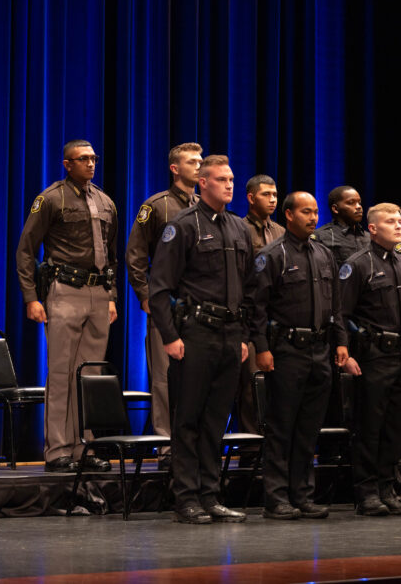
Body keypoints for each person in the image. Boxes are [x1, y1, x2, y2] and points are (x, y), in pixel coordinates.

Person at [148, 155, 253, 525]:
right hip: (194, 334)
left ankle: (211, 495)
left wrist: (243, 336)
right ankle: (186, 498)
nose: (229, 185)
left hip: (229, 335)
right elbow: (159, 288)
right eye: (222, 179)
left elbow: (247, 290)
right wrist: (170, 336)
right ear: (203, 183)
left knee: (215, 422)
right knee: (188, 420)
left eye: (232, 179)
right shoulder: (182, 226)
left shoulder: (239, 228)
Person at [15, 139, 118, 473]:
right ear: (67, 163)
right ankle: (57, 449)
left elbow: (112, 255)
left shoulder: (105, 201)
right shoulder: (51, 198)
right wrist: (31, 297)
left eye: (94, 158)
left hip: (98, 293)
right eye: (83, 159)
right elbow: (26, 250)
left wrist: (113, 295)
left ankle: (83, 448)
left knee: (90, 375)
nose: (90, 164)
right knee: (61, 374)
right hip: (65, 290)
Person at [248, 192, 349, 520]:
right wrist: (261, 348)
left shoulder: (323, 253)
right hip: (287, 350)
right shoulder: (271, 255)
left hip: (320, 349)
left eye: (316, 211)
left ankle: (302, 494)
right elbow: (257, 308)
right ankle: (276, 498)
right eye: (306, 211)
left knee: (309, 428)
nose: (313, 217)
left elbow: (336, 306)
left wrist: (341, 343)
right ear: (289, 215)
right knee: (282, 427)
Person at [124, 142, 202, 469]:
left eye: (201, 161)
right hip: (166, 305)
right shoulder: (156, 206)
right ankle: (168, 448)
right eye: (191, 161)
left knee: (199, 378)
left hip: (200, 308)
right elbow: (135, 256)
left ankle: (197, 446)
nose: (198, 166)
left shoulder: (206, 207)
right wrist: (145, 296)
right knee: (163, 377)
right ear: (174, 168)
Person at [339, 203, 401, 516]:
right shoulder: (357, 264)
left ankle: (388, 488)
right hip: (373, 357)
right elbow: (342, 314)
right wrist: (347, 354)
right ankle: (367, 492)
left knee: (395, 428)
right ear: (373, 228)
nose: (398, 226)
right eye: (390, 221)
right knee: (369, 427)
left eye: (400, 221)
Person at [238, 175, 286, 435]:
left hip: (278, 321)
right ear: (251, 197)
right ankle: (250, 450)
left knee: (277, 388)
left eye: (275, 195)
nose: (272, 200)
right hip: (250, 318)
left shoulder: (281, 232)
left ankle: (272, 449)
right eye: (266, 194)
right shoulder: (239, 228)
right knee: (250, 389)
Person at [312, 185, 368, 264]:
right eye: (351, 203)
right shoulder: (320, 236)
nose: (358, 207)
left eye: (359, 203)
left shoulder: (369, 237)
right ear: (335, 209)